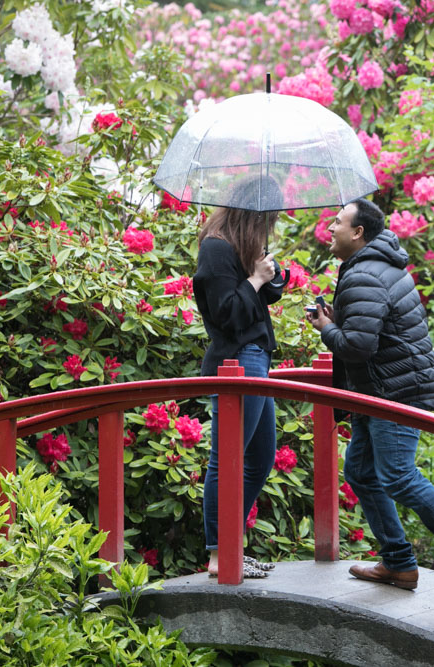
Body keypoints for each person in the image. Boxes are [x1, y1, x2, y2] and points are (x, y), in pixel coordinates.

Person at [306, 198, 434, 591]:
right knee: (362, 473)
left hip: (394, 390)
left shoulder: (365, 274)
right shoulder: (370, 266)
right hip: (380, 388)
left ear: (358, 232)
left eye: (338, 222)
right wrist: (335, 320)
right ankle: (398, 562)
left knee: (397, 475)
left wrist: (327, 328)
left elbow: (359, 345)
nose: (330, 228)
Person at [193, 176, 283, 579]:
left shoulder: (239, 249)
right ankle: (218, 552)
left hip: (257, 359)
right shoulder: (214, 249)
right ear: (253, 215)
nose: (271, 227)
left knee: (260, 457)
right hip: (237, 361)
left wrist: (268, 275)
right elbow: (227, 312)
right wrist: (256, 279)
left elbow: (257, 303)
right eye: (269, 219)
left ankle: (231, 543)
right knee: (227, 458)